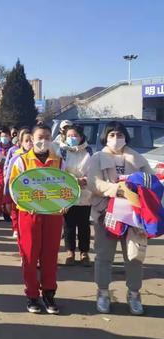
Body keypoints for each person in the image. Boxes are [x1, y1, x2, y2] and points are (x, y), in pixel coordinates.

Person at [87, 121, 153, 316]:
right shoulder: (98, 158)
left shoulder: (138, 158)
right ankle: (103, 292)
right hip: (105, 213)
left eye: (120, 134)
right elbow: (93, 182)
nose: (116, 138)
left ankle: (134, 294)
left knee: (134, 256)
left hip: (134, 215)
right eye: (112, 135)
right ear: (105, 137)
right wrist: (117, 189)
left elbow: (150, 181)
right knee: (104, 256)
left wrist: (138, 189)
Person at [9, 124, 64, 315]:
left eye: (48, 137)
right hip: (29, 214)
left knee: (50, 256)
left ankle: (49, 294)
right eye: (40, 136)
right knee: (30, 256)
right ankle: (32, 295)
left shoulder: (58, 161)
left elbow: (65, 187)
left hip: (53, 215)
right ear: (31, 138)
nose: (44, 140)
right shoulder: (22, 161)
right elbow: (14, 190)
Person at [59, 125, 93, 266]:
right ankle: (70, 252)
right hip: (68, 192)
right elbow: (59, 171)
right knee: (69, 225)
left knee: (84, 225)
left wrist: (84, 180)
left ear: (81, 137)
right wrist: (72, 180)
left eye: (75, 136)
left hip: (85, 193)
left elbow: (93, 170)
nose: (72, 138)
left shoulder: (88, 151)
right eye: (69, 136)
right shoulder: (61, 151)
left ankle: (84, 252)